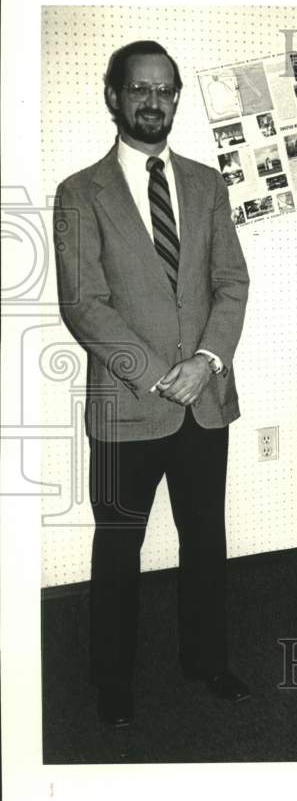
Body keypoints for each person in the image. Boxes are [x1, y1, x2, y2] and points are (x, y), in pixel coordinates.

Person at [54, 40, 251, 726]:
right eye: (139, 88)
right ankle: (112, 679)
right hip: (126, 406)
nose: (152, 100)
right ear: (113, 96)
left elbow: (231, 282)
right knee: (118, 547)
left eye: (165, 89)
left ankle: (207, 659)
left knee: (205, 541)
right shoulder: (80, 192)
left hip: (204, 401)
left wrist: (205, 363)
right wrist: (152, 373)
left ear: (175, 98)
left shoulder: (206, 183)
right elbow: (83, 302)